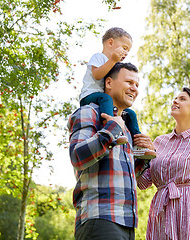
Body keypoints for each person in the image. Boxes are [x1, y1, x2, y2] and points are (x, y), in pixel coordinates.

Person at [68, 62, 155, 240]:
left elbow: (133, 177)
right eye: (129, 82)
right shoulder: (89, 112)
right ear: (108, 83)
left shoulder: (127, 127)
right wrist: (110, 130)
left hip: (127, 224)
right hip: (100, 219)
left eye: (137, 85)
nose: (134, 88)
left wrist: (145, 157)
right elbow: (77, 156)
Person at [137, 87, 190, 240]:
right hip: (161, 215)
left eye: (182, 99)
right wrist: (144, 155)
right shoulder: (159, 142)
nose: (175, 100)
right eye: (175, 98)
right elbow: (143, 183)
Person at [79, 26, 155, 159]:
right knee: (106, 99)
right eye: (124, 48)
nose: (126, 53)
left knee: (130, 113)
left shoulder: (113, 66)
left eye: (128, 51)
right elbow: (97, 75)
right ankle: (109, 127)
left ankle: (138, 144)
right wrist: (113, 60)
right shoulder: (99, 57)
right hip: (90, 96)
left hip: (102, 99)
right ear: (110, 43)